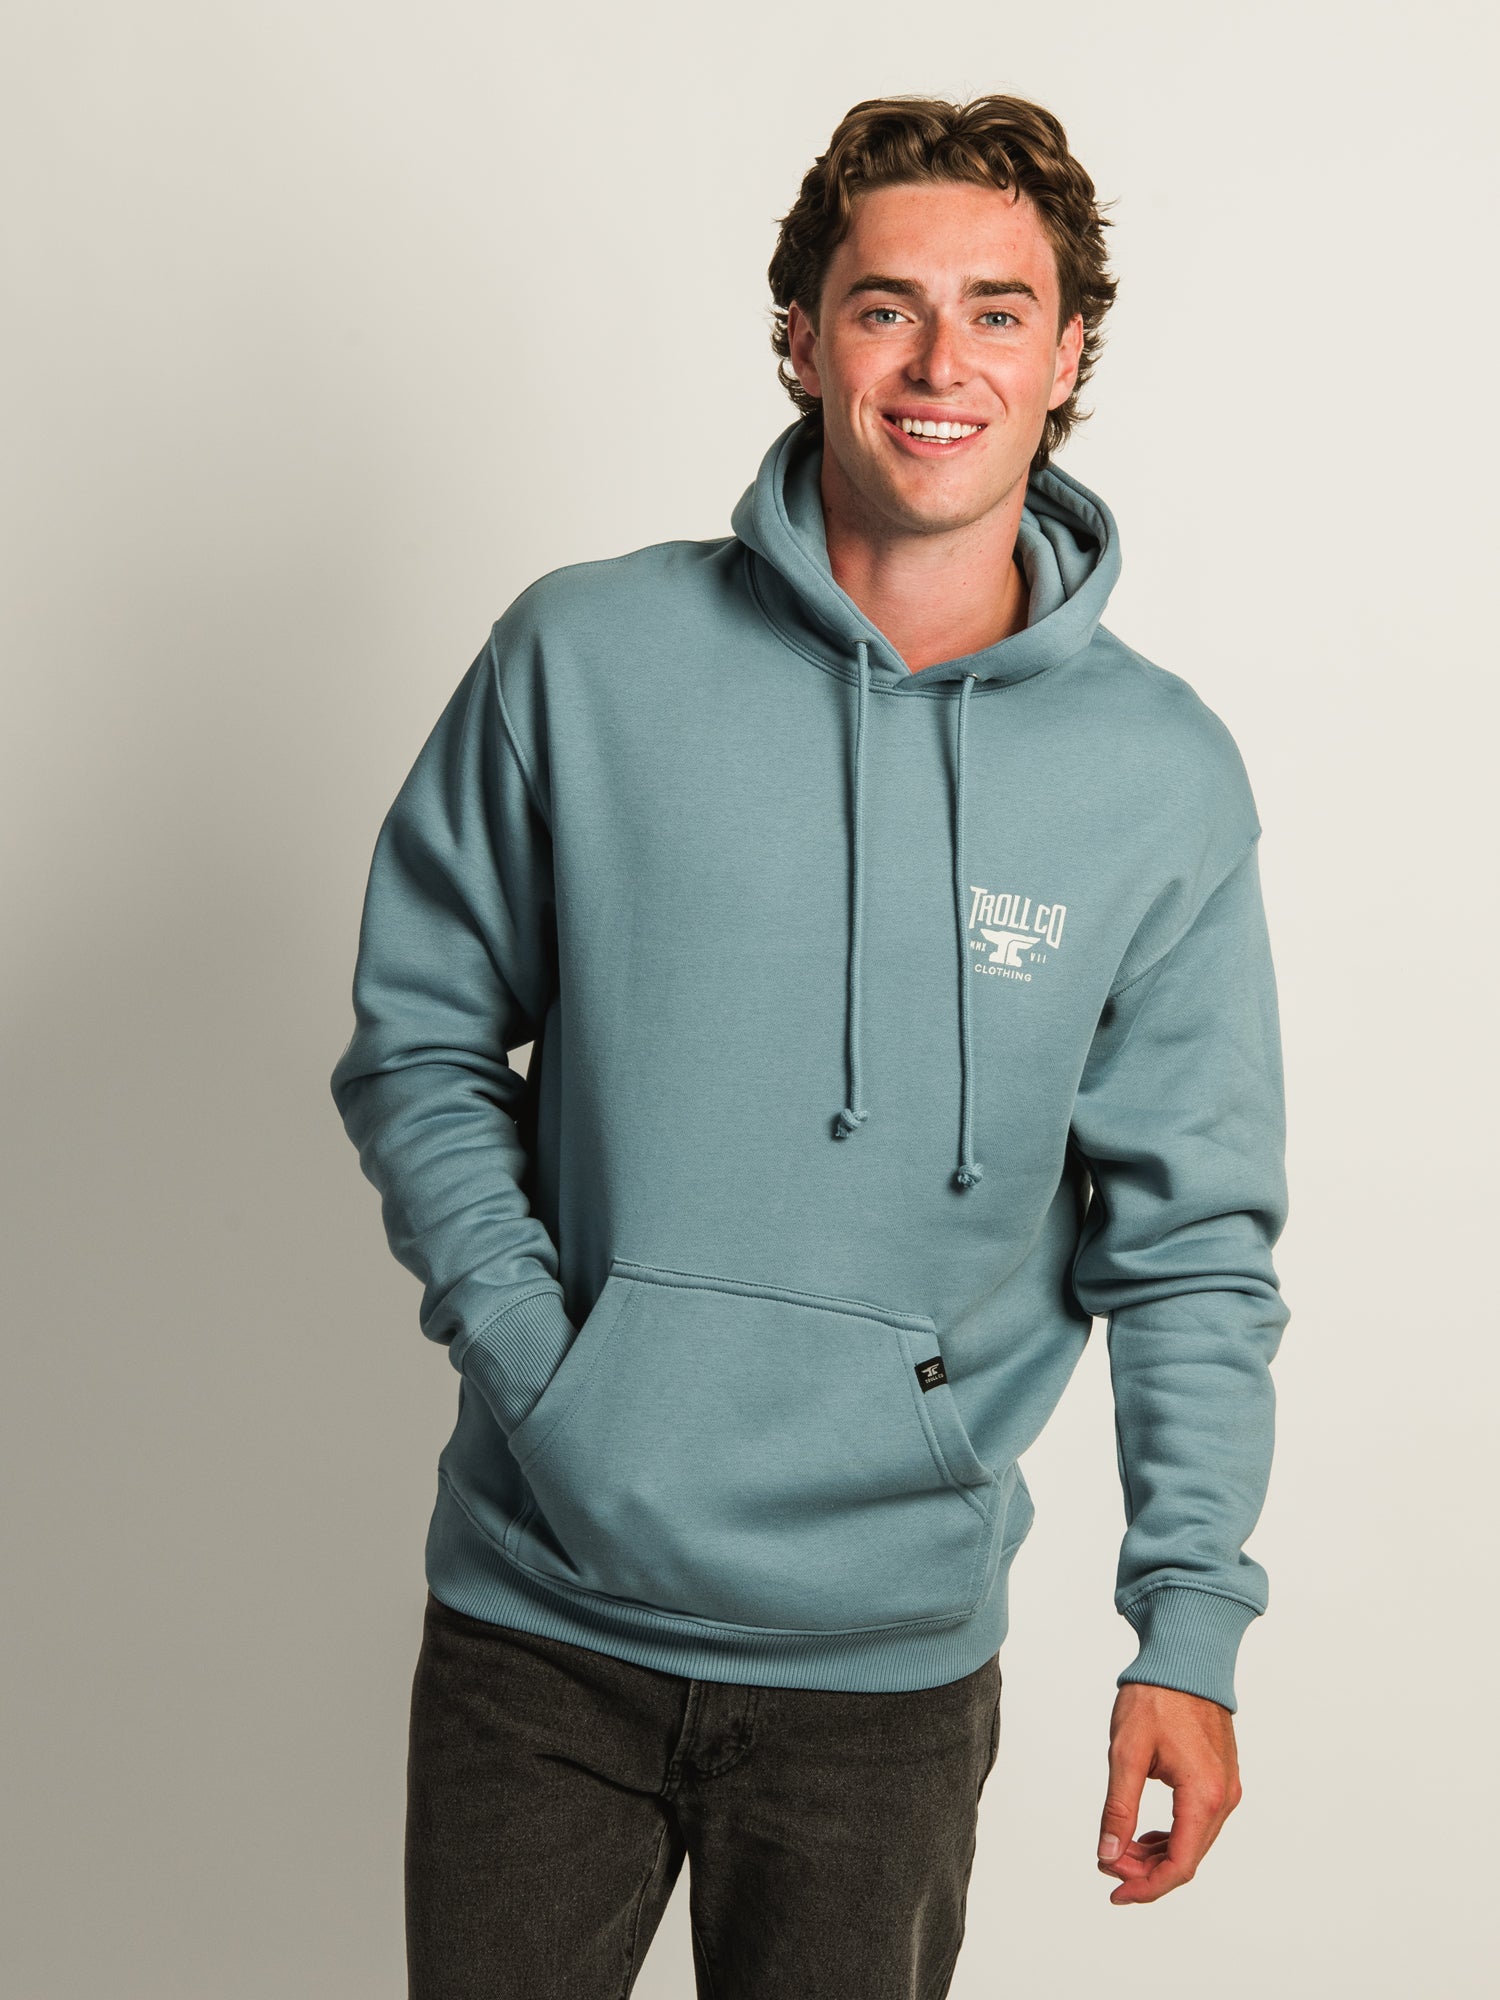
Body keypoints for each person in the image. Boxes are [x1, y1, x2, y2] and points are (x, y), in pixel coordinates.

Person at [330, 90, 1291, 1997]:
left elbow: (1191, 1243)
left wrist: (1187, 1630)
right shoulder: (584, 659)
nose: (943, 363)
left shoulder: (1159, 779)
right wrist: (549, 1374)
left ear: (1067, 356)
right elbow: (418, 1045)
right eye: (885, 307)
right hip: (540, 1629)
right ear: (802, 337)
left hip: (886, 1677)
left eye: (1000, 311)